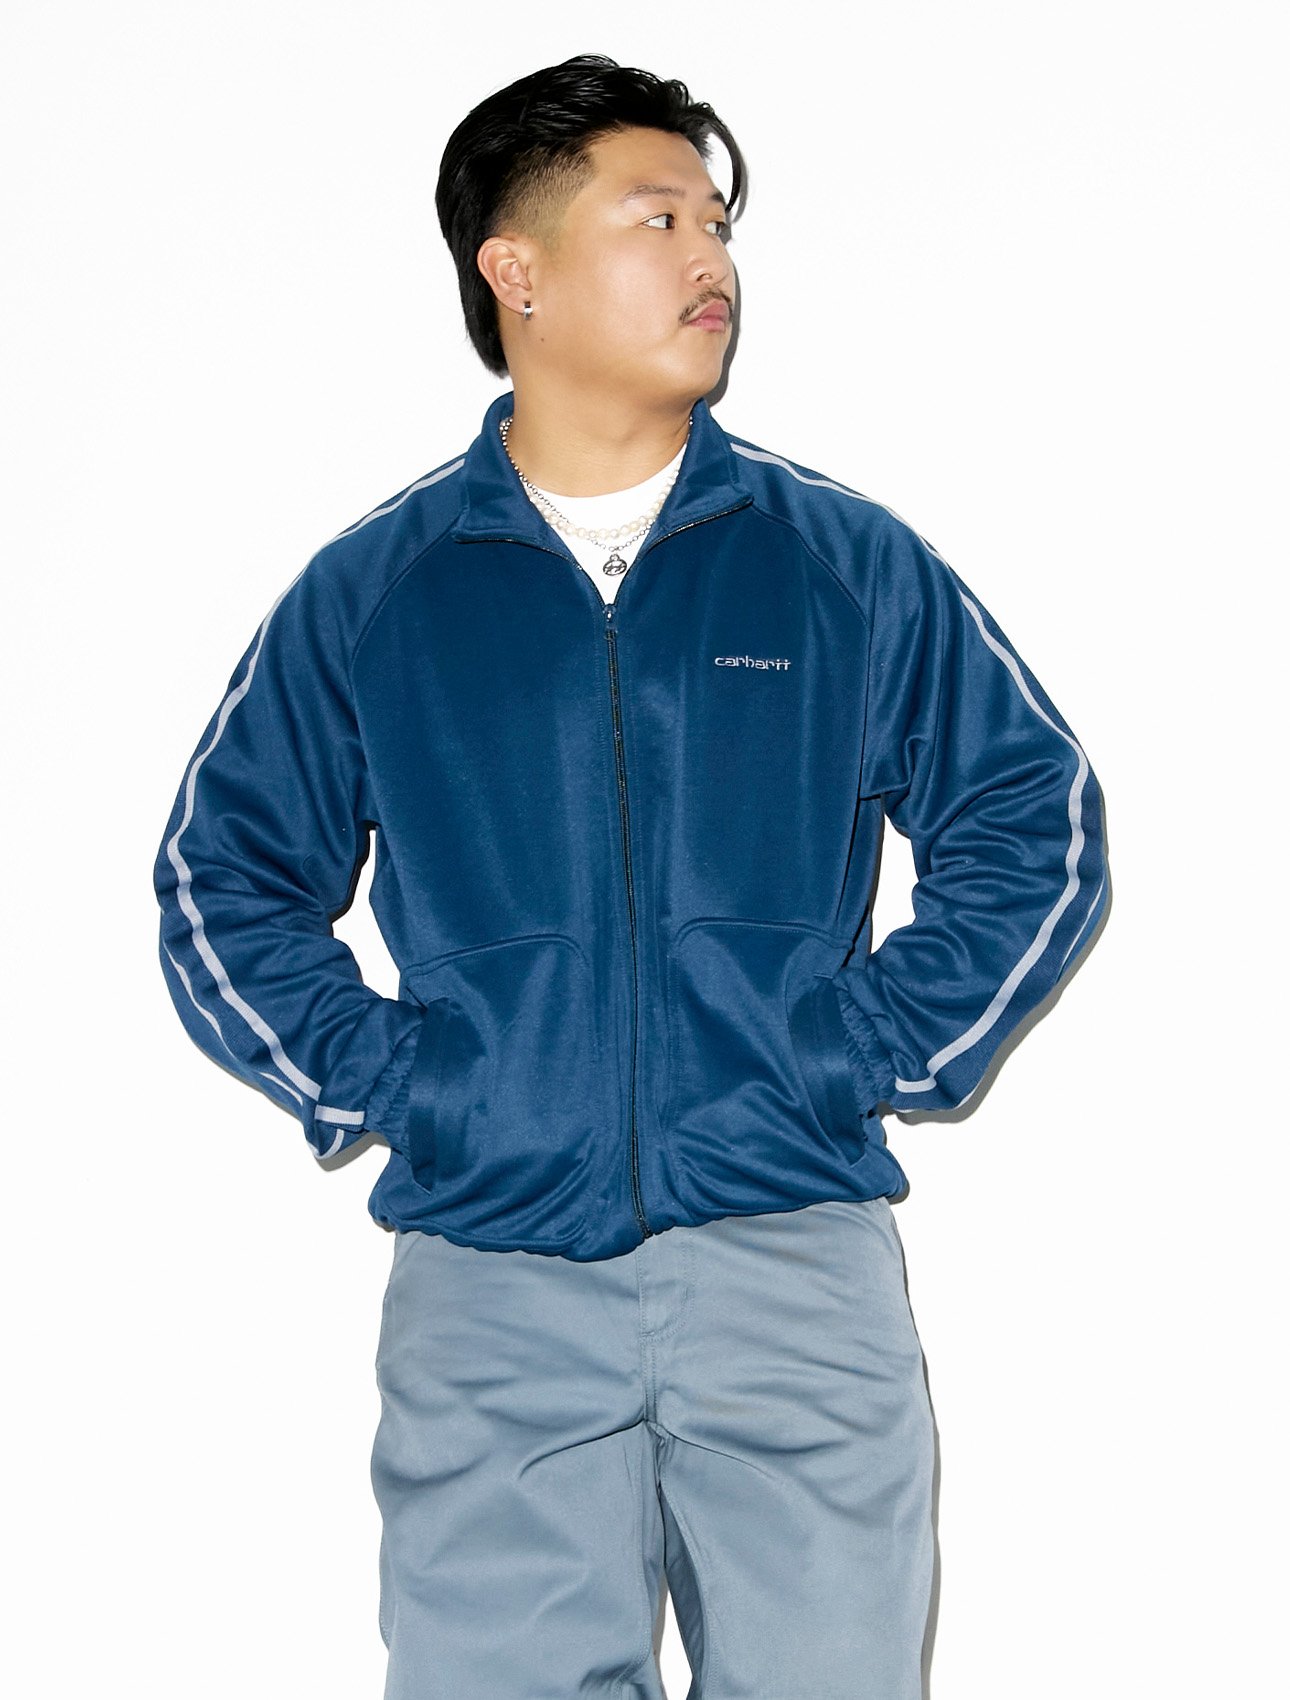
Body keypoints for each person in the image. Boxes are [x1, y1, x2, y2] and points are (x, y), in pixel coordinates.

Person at [153, 52, 1107, 1700]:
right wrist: (414, 1085)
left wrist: (853, 1052)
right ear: (512, 272)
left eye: (717, 223)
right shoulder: (380, 592)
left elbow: (1036, 817)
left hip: (791, 1259)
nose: (709, 259)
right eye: (656, 218)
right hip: (491, 1279)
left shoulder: (837, 563)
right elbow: (217, 878)